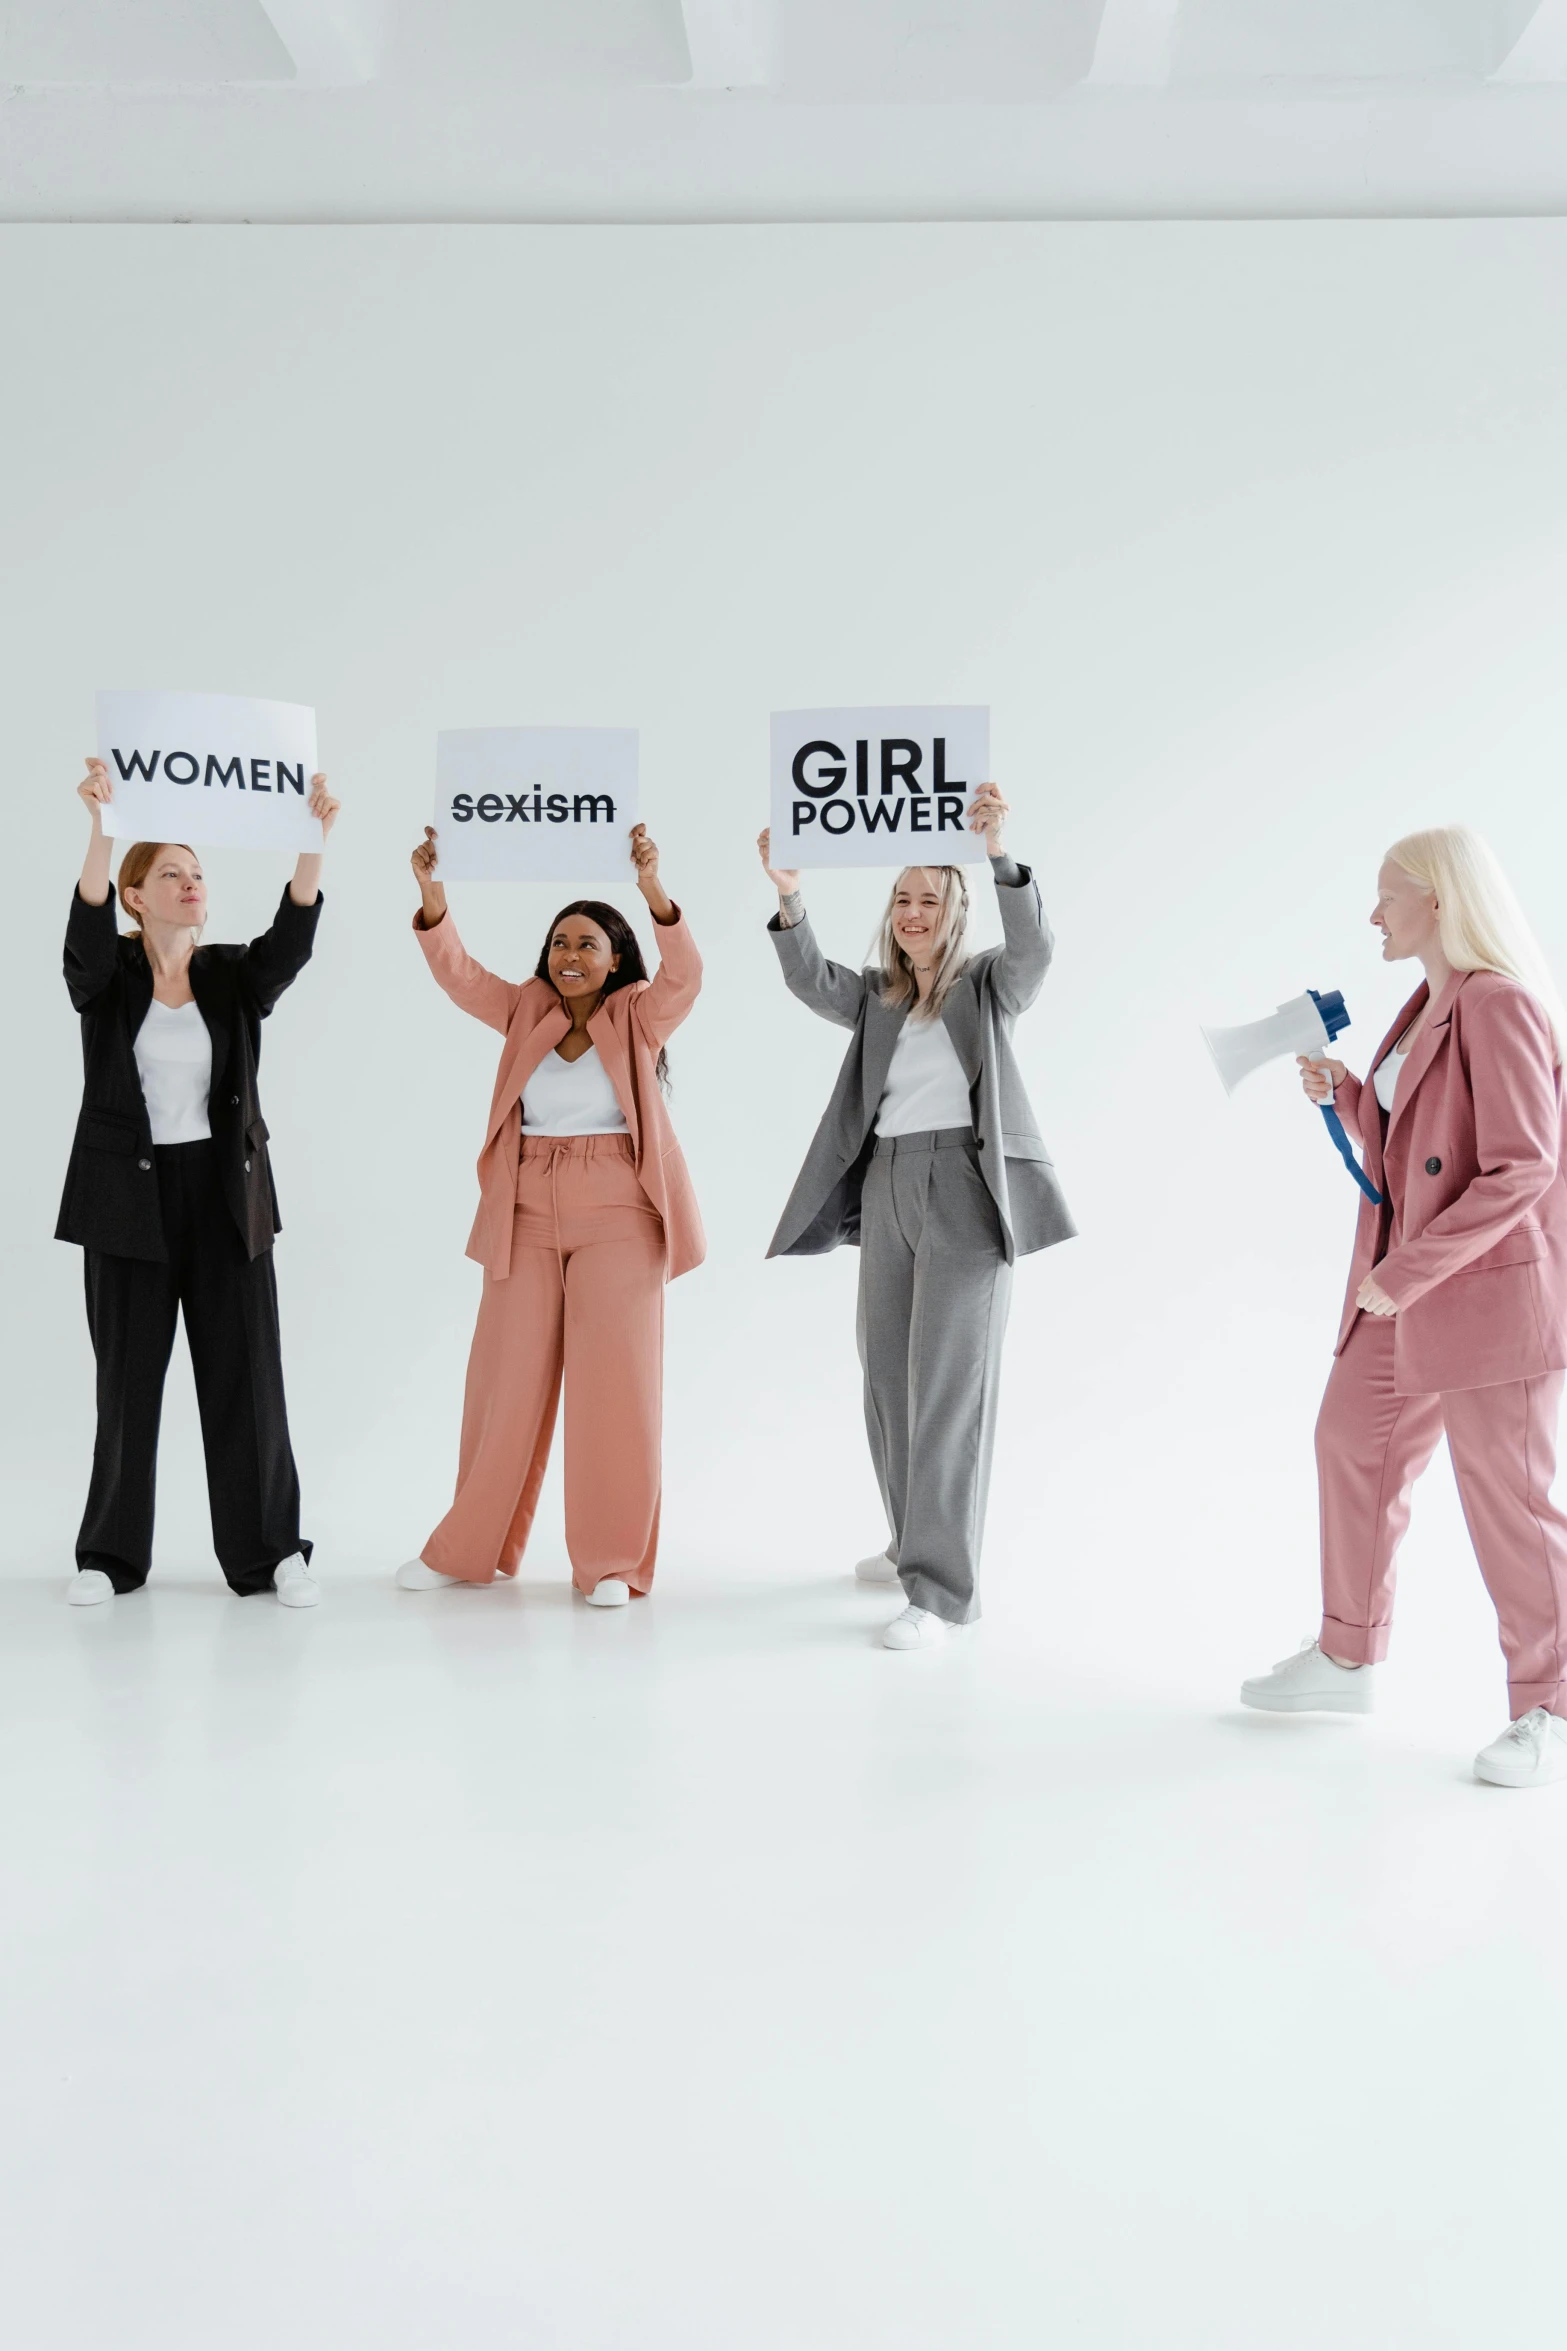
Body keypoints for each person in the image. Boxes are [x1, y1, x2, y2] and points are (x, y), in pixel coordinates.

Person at [1241, 827, 1567, 1788]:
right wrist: (1349, 1096)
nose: (1372, 914)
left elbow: (1522, 1165)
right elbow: (1421, 1147)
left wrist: (1410, 1269)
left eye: (1387, 895)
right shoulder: (1427, 1003)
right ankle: (1348, 1654)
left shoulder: (1497, 1004)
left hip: (1476, 1299)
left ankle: (1548, 1702)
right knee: (1348, 1438)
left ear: (1437, 899)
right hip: (1407, 1286)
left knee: (1507, 1502)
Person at [758, 784, 1074, 1649]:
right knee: (888, 1378)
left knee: (946, 1386)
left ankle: (938, 1591)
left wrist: (999, 852)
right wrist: (789, 893)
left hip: (965, 1190)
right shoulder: (875, 996)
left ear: (956, 908)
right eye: (900, 897)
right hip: (887, 1184)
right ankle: (910, 1542)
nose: (910, 911)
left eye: (928, 898)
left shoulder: (984, 988)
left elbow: (1035, 949)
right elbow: (807, 977)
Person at [397, 822, 702, 1604]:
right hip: (526, 1207)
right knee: (503, 1382)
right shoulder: (527, 1006)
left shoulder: (638, 1012)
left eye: (588, 944)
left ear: (615, 957)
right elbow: (462, 976)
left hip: (618, 1213)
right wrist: (434, 898)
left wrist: (652, 889)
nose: (569, 954)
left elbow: (686, 976)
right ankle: (468, 1549)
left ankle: (609, 1562)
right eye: (559, 941)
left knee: (615, 1389)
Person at [60, 757, 339, 1607]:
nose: (191, 884)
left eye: (199, 873)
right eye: (171, 874)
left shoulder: (228, 977)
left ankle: (270, 1555)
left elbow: (289, 946)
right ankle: (109, 1558)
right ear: (137, 894)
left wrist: (311, 843)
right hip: (128, 1202)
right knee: (127, 1381)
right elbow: (82, 936)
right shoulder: (107, 976)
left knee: (248, 1375)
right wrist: (103, 829)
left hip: (225, 1197)